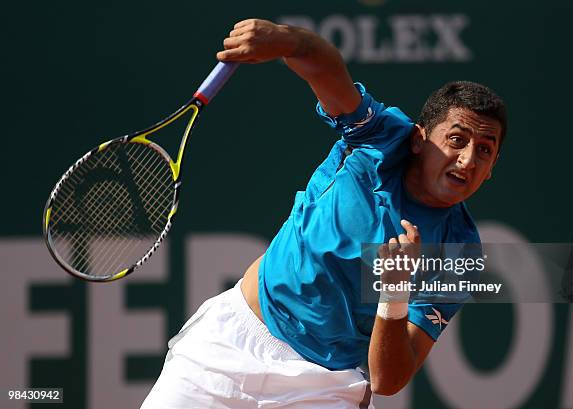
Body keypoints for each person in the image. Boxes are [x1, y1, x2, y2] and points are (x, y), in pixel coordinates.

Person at [140, 18, 507, 409]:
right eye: (456, 140)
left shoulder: (459, 255)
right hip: (229, 345)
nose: (468, 160)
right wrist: (286, 40)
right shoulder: (380, 137)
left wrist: (395, 290)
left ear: (492, 168)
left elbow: (388, 380)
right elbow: (325, 66)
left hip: (324, 389)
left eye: (485, 150)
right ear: (419, 139)